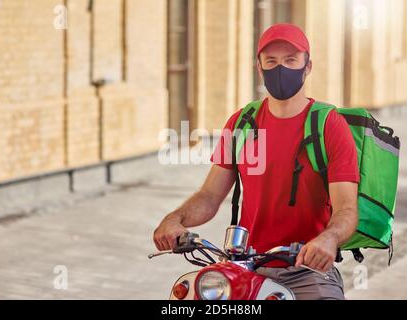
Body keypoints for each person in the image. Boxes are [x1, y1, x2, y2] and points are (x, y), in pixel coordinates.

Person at [153, 23, 360, 300]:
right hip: (248, 266)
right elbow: (209, 196)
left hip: (307, 270)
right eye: (271, 62)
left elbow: (346, 208)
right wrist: (174, 219)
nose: (281, 69)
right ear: (259, 68)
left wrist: (329, 239)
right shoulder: (242, 123)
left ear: (307, 66)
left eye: (290, 60)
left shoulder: (328, 125)